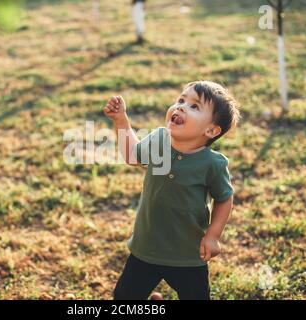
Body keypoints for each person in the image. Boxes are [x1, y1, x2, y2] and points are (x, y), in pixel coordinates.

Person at [103, 80, 241, 300]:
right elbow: (131, 155)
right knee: (125, 297)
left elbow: (224, 198)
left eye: (194, 106)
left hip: (187, 253)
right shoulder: (159, 140)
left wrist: (213, 236)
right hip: (146, 247)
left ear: (211, 130)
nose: (181, 107)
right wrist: (121, 121)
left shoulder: (212, 164)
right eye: (181, 100)